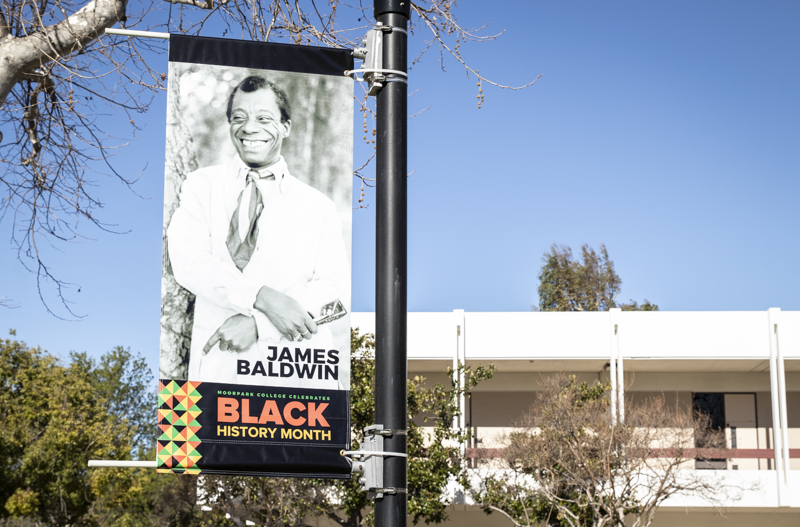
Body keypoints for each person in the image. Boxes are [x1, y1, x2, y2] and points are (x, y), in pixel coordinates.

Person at [167, 75, 349, 387]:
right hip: (217, 374)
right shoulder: (201, 186)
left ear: (285, 127)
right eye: (239, 118)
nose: (250, 128)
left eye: (264, 118)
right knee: (190, 438)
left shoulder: (318, 206)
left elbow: (337, 298)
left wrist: (260, 324)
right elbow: (189, 263)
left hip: (300, 382)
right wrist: (261, 297)